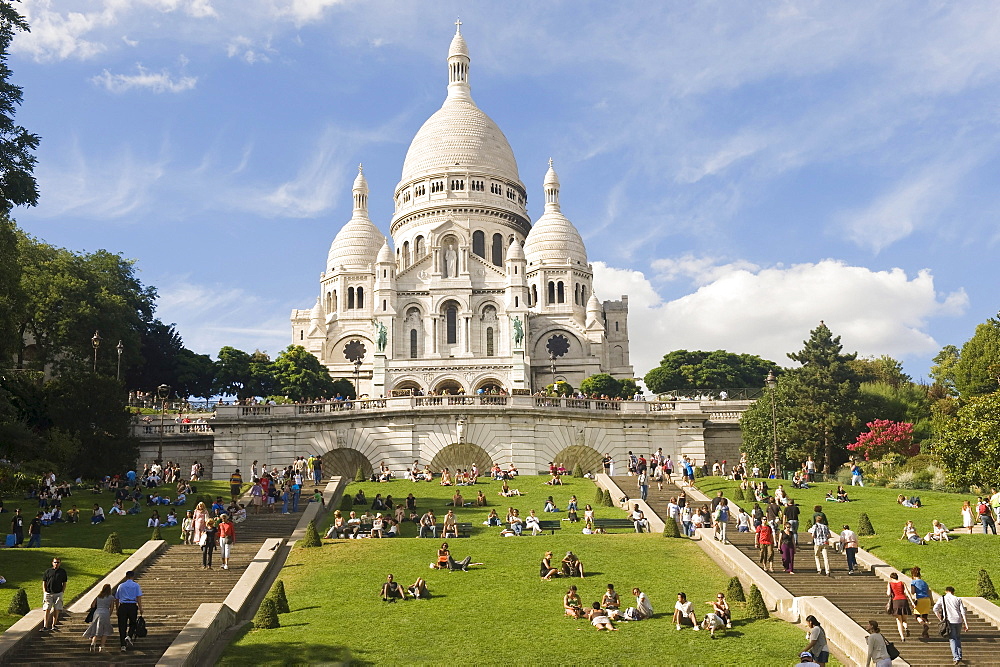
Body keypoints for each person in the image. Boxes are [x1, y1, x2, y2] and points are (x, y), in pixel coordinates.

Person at [935, 586, 969, 665]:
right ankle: (959, 656)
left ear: (946, 591)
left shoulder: (942, 599)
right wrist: (966, 624)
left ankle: (956, 657)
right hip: (958, 620)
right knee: (957, 637)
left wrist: (940, 618)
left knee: (952, 639)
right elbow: (963, 611)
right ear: (953, 592)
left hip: (949, 620)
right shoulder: (957, 599)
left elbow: (935, 609)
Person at [114, 570, 144, 652]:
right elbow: (139, 597)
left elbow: (117, 598)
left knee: (122, 626)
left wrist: (117, 609)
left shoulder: (121, 586)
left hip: (123, 606)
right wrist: (141, 608)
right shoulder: (136, 585)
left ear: (126, 576)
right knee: (133, 623)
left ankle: (122, 645)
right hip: (132, 605)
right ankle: (129, 635)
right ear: (133, 576)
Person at [83, 583, 115, 652]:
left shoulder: (99, 596)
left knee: (95, 628)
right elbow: (112, 607)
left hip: (97, 612)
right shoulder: (111, 597)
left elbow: (92, 605)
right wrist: (109, 614)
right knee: (105, 630)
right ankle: (102, 646)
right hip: (105, 612)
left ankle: (93, 642)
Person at [41, 557, 68, 631]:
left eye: (58, 562)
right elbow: (44, 582)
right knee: (47, 609)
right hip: (48, 593)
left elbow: (64, 583)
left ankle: (54, 625)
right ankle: (45, 626)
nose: (56, 564)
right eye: (55, 562)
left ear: (60, 563)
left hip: (58, 593)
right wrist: (45, 591)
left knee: (57, 609)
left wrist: (62, 591)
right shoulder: (48, 571)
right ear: (52, 563)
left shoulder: (62, 572)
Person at [886, 571, 911, 641]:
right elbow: (907, 593)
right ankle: (906, 628)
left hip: (896, 601)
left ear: (891, 578)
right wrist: (912, 602)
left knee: (899, 620)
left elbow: (888, 593)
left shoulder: (890, 583)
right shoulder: (902, 583)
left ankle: (902, 637)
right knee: (904, 619)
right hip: (904, 601)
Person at [910, 566, 932, 640]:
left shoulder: (913, 582)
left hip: (920, 600)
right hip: (927, 600)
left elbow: (913, 592)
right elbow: (929, 591)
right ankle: (925, 634)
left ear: (912, 575)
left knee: (917, 616)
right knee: (925, 616)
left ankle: (925, 626)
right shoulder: (924, 582)